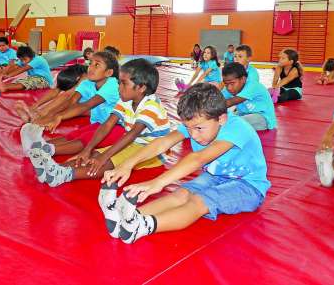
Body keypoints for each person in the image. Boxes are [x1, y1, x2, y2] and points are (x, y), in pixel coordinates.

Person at [100, 83, 270, 243]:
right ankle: (126, 218)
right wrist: (128, 164)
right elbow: (163, 142)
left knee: (199, 201)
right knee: (180, 194)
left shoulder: (237, 128)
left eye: (198, 129)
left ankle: (142, 226)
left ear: (221, 119)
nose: (193, 135)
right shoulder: (198, 122)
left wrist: (157, 182)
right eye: (188, 129)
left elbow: (198, 158)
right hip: (215, 177)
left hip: (249, 186)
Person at [23, 59, 170, 189]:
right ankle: (54, 169)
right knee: (94, 155)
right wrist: (87, 150)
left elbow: (132, 135)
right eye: (119, 83)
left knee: (108, 161)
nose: (119, 87)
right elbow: (107, 124)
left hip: (152, 151)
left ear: (141, 88)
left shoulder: (151, 106)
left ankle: (64, 175)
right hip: (134, 142)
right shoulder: (126, 100)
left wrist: (104, 156)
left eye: (124, 83)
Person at [20, 51, 122, 156]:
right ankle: (35, 146)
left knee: (85, 139)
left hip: (116, 125)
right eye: (90, 63)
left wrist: (59, 116)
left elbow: (87, 105)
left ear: (109, 73)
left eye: (97, 65)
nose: (91, 67)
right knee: (74, 135)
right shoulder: (88, 83)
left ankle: (46, 151)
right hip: (100, 123)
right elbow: (71, 101)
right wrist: (53, 116)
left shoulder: (112, 85)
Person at [15, 64, 88, 123]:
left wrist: (47, 114)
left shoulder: (87, 78)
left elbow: (68, 95)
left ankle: (40, 116)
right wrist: (35, 106)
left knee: (67, 99)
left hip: (92, 107)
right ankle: (37, 114)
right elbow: (56, 90)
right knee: (64, 96)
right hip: (82, 98)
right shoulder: (75, 71)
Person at [221, 63, 277, 131]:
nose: (229, 88)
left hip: (263, 118)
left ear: (243, 79)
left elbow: (230, 102)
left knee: (232, 122)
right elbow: (218, 99)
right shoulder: (230, 88)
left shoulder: (252, 85)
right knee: (224, 119)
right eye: (226, 84)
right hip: (244, 114)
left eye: (232, 83)